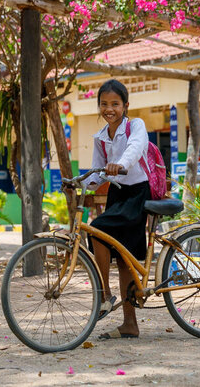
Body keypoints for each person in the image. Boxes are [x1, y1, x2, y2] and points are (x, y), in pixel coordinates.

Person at [80, 79, 150, 340]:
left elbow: (136, 148)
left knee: (100, 232)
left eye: (115, 104)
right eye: (104, 104)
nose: (109, 109)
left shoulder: (136, 125)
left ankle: (104, 293)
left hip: (136, 194)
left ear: (125, 106)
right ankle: (129, 324)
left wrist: (120, 164)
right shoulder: (100, 137)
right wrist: (79, 183)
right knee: (121, 258)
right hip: (116, 196)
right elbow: (97, 173)